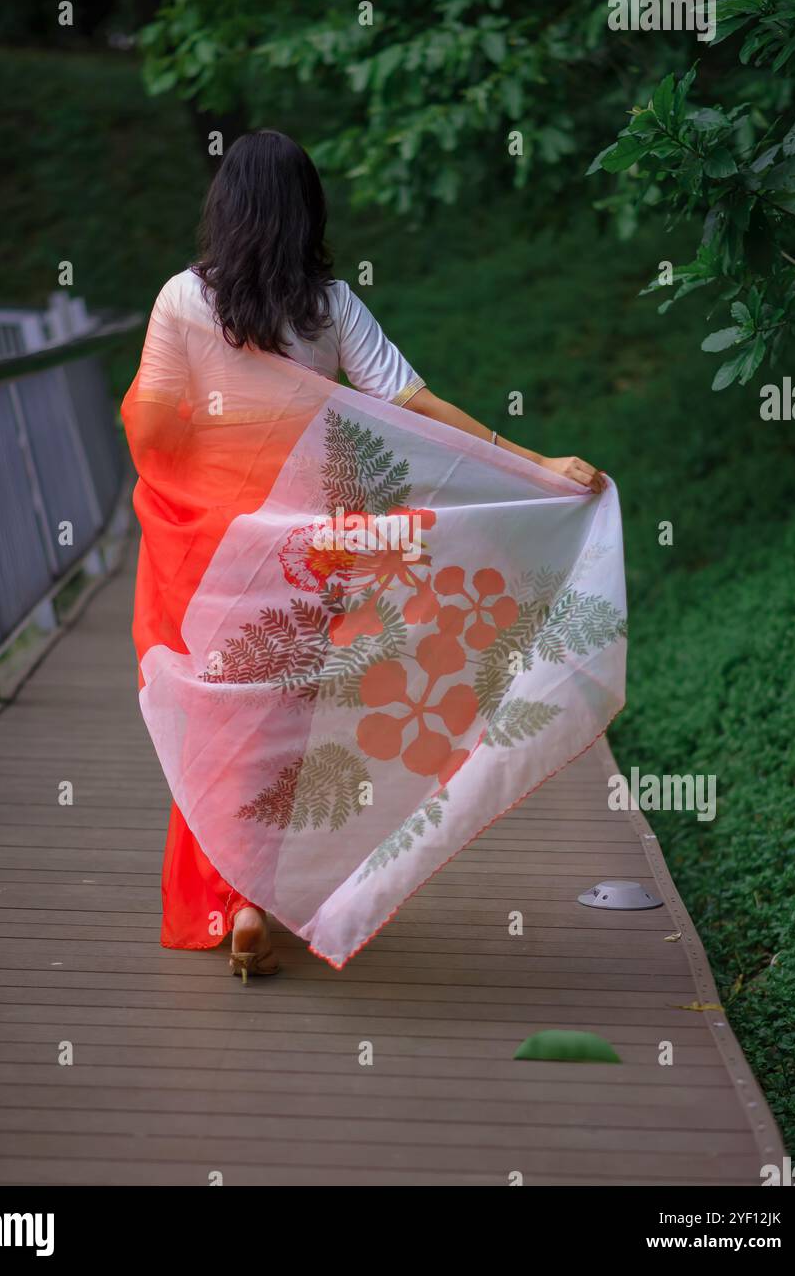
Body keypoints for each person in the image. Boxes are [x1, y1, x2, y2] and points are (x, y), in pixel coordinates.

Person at [122, 130, 614, 983]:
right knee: (283, 720)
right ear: (308, 210)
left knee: (213, 713)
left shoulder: (180, 300)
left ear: (225, 207)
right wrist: (533, 466)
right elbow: (413, 403)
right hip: (309, 549)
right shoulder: (330, 306)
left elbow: (156, 424)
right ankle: (261, 894)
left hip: (210, 549)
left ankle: (231, 904)